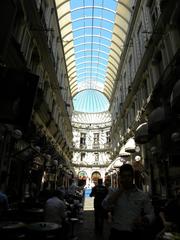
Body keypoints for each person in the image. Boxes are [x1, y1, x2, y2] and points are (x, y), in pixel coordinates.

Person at [102, 164, 155, 240]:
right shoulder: (114, 192)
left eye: (129, 176)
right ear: (120, 177)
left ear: (132, 177)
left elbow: (151, 213)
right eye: (124, 176)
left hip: (134, 233)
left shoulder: (142, 195)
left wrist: (144, 219)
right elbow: (105, 205)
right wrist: (120, 190)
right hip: (117, 233)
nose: (127, 179)